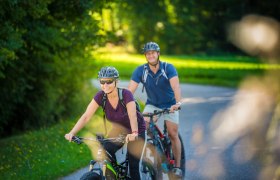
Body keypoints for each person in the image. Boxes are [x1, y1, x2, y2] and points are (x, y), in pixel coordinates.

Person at [65, 66, 146, 180]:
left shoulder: (126, 94)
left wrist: (134, 133)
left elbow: (132, 115)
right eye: (102, 82)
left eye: (109, 81)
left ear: (116, 81)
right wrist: (72, 132)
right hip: (118, 130)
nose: (105, 85)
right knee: (105, 154)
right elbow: (86, 116)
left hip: (136, 130)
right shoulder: (100, 96)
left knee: (133, 168)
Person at [128, 42, 183, 178]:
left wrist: (178, 103)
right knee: (143, 127)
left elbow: (176, 86)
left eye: (153, 52)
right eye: (148, 53)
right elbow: (130, 91)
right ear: (145, 56)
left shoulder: (168, 67)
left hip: (170, 105)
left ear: (158, 54)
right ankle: (155, 146)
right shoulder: (141, 70)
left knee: (172, 133)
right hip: (152, 104)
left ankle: (177, 166)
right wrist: (125, 105)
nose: (150, 55)